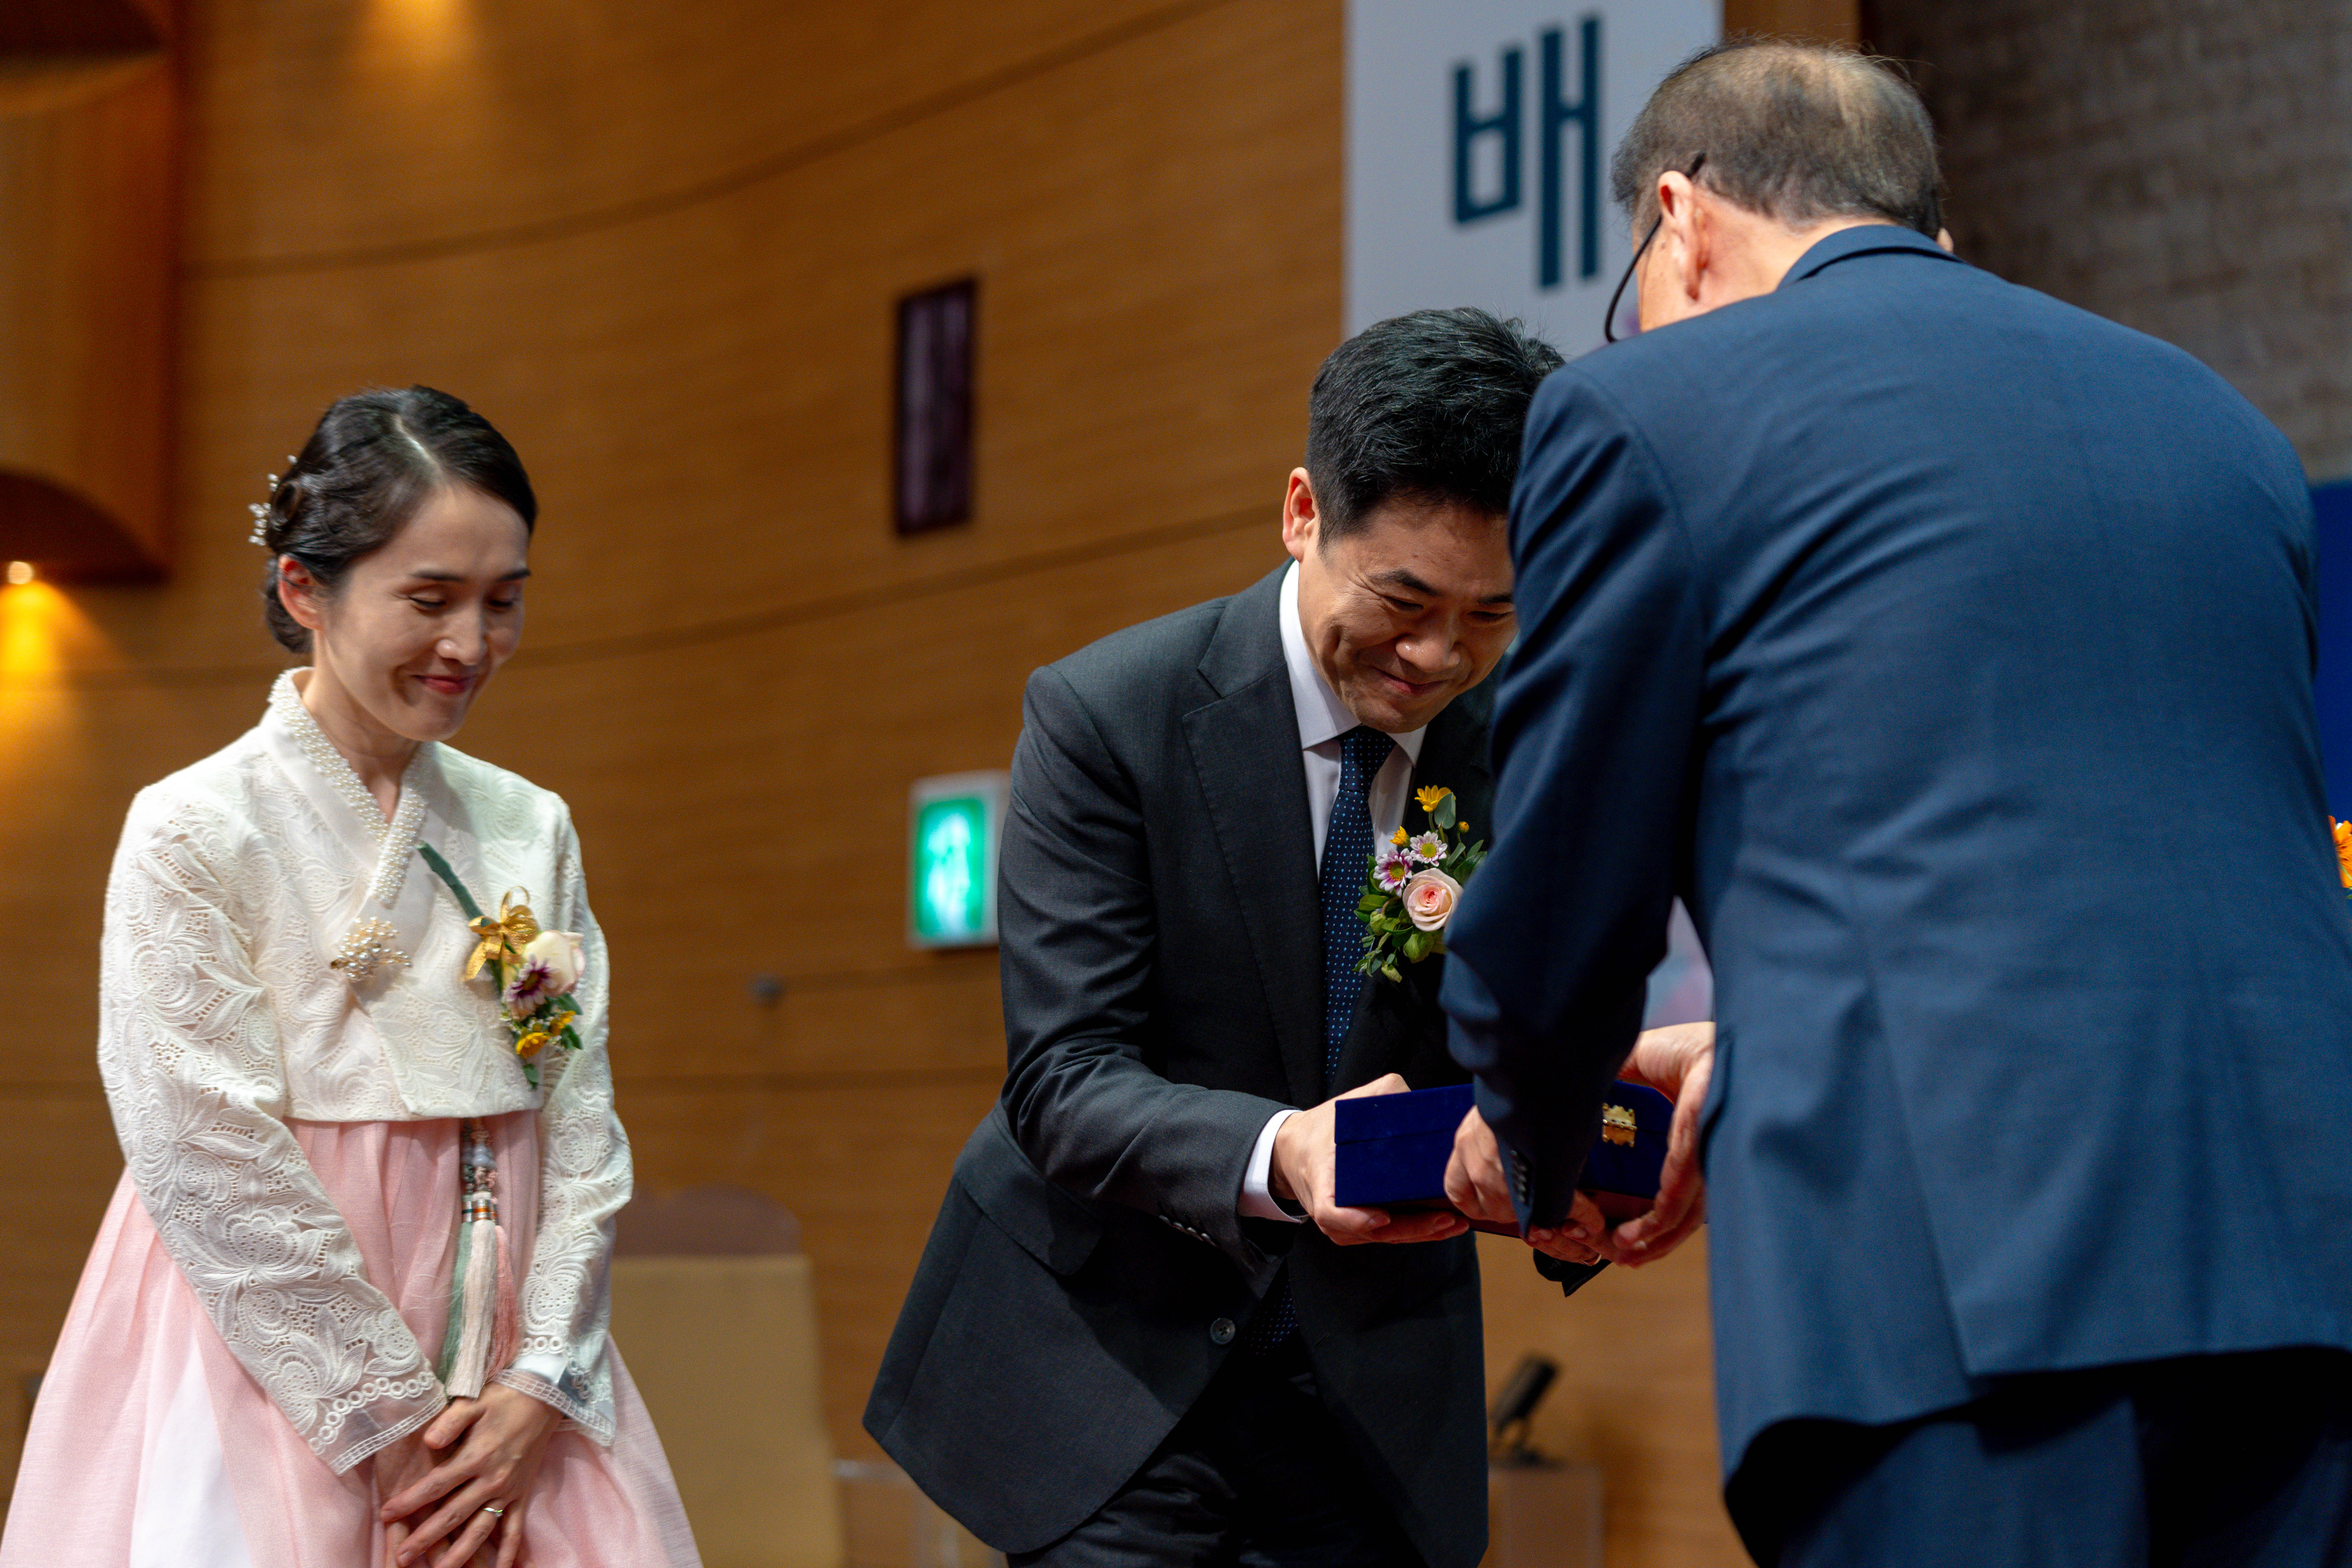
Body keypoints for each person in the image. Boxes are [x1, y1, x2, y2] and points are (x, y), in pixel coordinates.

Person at [1440, 39, 2352, 1568]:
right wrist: (1763, 1050)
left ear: (1680, 220)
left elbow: (1564, 897)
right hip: (2305, 1281)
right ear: (1932, 225)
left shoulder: (1646, 409)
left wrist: (1538, 1141)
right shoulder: (2223, 429)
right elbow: (2083, 867)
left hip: (1962, 1308)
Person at [868, 309, 1697, 1568]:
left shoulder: (1527, 754)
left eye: (1492, 615)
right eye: (1404, 599)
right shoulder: (1112, 716)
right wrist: (1284, 1150)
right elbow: (1065, 1081)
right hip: (1115, 1371)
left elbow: (1502, 1046)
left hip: (1368, 1396)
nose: (1438, 656)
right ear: (1304, 513)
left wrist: (1568, 1153)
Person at [0, 388, 699, 1568]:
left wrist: (539, 1382)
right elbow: (202, 1145)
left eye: (503, 601)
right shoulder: (195, 825)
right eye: (430, 600)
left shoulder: (528, 825)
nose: (469, 644)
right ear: (303, 590)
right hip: (278, 1348)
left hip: (508, 1369)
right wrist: (391, 1422)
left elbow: (578, 1114)